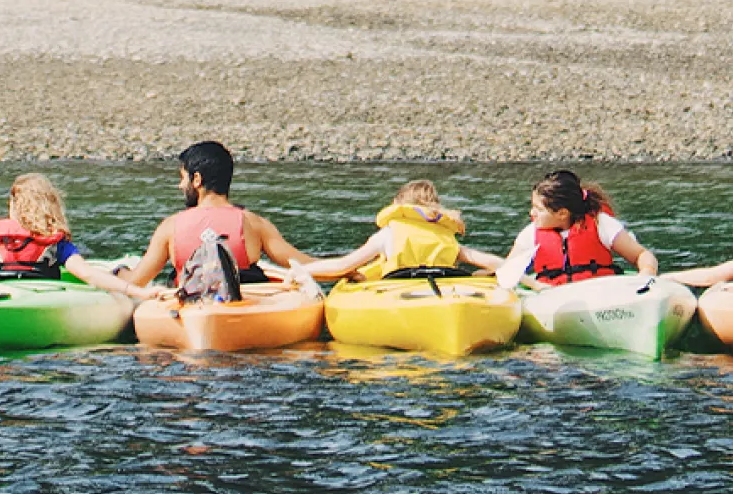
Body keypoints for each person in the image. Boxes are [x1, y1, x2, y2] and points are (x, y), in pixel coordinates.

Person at [0, 172, 160, 302]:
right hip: (39, 300)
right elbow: (89, 275)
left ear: (14, 206)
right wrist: (136, 292)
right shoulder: (56, 244)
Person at [123, 140, 310, 288]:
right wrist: (338, 268)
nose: (180, 185)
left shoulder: (170, 227)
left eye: (182, 178)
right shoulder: (254, 224)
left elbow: (135, 282)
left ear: (196, 179)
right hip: (245, 309)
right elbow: (304, 265)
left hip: (191, 309)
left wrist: (117, 273)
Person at [290, 178, 502, 282]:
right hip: (444, 288)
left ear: (398, 205)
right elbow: (491, 262)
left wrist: (300, 271)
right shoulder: (445, 235)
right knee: (480, 274)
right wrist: (491, 275)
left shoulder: (389, 233)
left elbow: (342, 265)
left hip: (398, 291)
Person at [496, 169, 657, 290]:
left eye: (539, 209)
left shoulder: (601, 224)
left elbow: (642, 255)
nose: (532, 213)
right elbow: (508, 269)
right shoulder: (530, 233)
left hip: (601, 294)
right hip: (552, 298)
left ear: (562, 213)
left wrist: (647, 272)